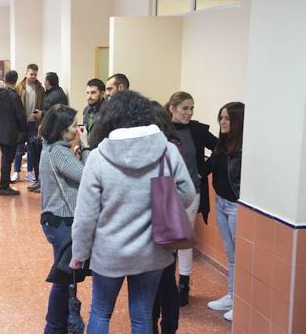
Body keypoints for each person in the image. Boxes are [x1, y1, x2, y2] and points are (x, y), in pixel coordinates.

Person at [70, 91, 195, 334]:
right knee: (141, 315)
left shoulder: (98, 157)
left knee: (100, 311)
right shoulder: (167, 150)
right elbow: (188, 194)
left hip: (109, 253)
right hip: (153, 251)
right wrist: (158, 202)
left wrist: (79, 253)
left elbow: (85, 216)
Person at [38, 105, 90, 334]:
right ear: (60, 129)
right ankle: (54, 327)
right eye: (72, 126)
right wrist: (86, 147)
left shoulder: (51, 148)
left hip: (54, 220)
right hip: (62, 221)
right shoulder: (59, 152)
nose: (76, 130)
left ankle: (59, 324)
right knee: (63, 278)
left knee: (65, 277)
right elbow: (86, 176)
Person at [165, 91, 218, 306]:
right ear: (172, 108)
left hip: (192, 192)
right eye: (185, 108)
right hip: (165, 193)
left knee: (184, 238)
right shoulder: (160, 130)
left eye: (191, 108)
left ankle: (184, 284)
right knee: (166, 240)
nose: (189, 112)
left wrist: (203, 170)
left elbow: (221, 148)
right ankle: (166, 282)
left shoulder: (197, 130)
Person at [204, 102, 245, 322]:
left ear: (239, 120)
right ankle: (232, 295)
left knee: (241, 257)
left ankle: (242, 302)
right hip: (220, 203)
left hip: (236, 207)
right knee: (231, 255)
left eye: (228, 118)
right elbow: (208, 166)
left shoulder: (245, 149)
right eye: (221, 117)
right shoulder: (222, 143)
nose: (223, 122)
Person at [149, 101, 182, 334]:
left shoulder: (160, 148)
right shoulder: (174, 146)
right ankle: (167, 328)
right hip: (169, 219)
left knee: (156, 282)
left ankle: (154, 326)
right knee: (167, 279)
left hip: (156, 220)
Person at [28, 72, 69, 192]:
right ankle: (40, 181)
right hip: (47, 130)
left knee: (46, 159)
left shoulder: (57, 95)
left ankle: (43, 183)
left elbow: (57, 113)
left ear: (48, 82)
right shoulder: (51, 94)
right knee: (40, 157)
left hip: (53, 132)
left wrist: (42, 114)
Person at [0, 70, 27, 196]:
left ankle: (4, 183)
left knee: (5, 158)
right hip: (11, 132)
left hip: (0, 131)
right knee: (7, 159)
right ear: (16, 80)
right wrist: (25, 129)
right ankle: (4, 186)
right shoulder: (13, 96)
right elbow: (20, 115)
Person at [12, 64, 45, 183]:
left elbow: (42, 105)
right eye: (31, 74)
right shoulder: (19, 87)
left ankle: (30, 172)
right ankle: (16, 171)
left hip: (33, 123)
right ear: (26, 73)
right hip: (21, 122)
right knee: (19, 148)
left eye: (35, 74)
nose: (33, 76)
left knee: (32, 148)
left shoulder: (40, 89)